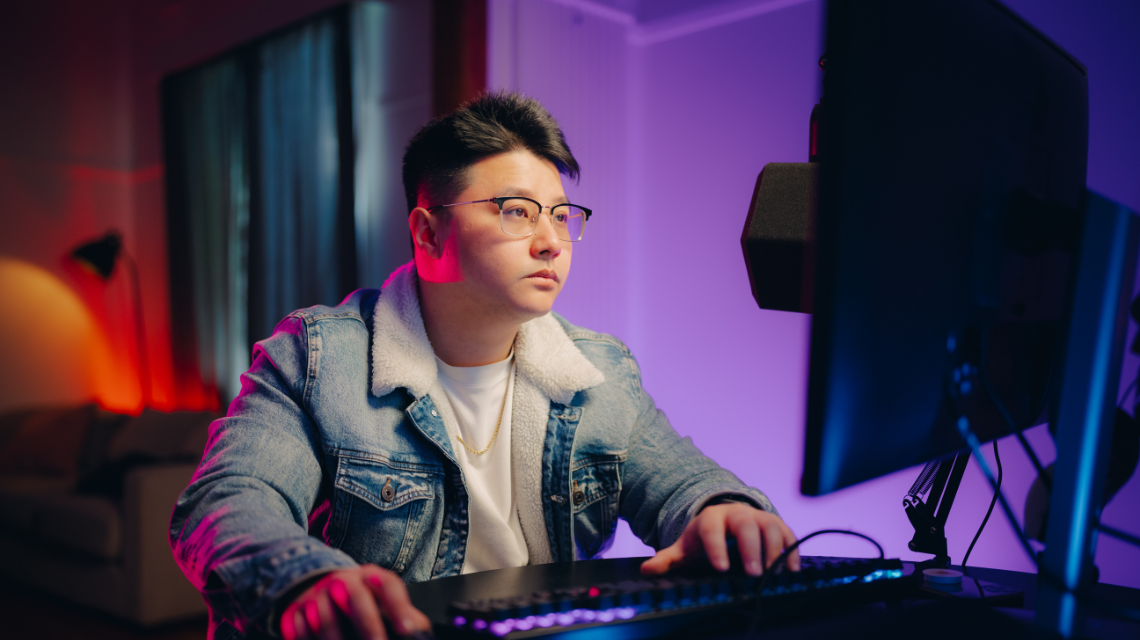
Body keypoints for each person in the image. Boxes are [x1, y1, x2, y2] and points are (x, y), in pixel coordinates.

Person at [170, 91, 800, 640]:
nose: (552, 240)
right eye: (517, 211)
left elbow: (681, 480)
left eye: (561, 214)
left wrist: (723, 511)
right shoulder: (317, 355)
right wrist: (301, 584)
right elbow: (226, 501)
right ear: (428, 234)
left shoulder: (597, 368)